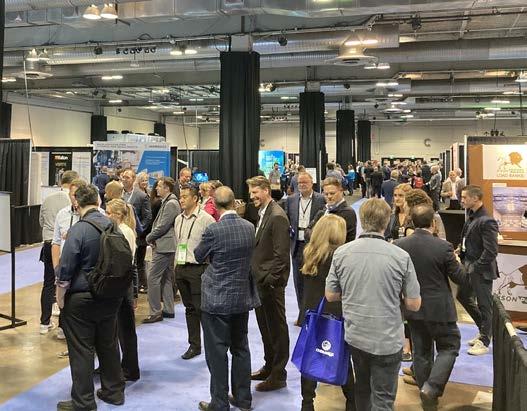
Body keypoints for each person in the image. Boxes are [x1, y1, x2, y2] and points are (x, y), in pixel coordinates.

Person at [325, 198, 421, 411]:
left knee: (362, 390)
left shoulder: (342, 253)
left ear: (361, 220)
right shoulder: (401, 256)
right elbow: (414, 304)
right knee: (383, 399)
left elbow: (331, 295)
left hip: (356, 336)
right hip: (388, 339)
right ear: (386, 222)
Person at [55, 184, 125, 411]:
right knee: (108, 345)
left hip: (82, 298)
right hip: (110, 296)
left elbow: (65, 269)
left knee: (82, 349)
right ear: (98, 201)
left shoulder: (79, 230)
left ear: (77, 203)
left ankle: (84, 401)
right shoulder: (113, 226)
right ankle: (114, 392)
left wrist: (60, 297)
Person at [195, 186, 260, 411]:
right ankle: (243, 398)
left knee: (217, 353)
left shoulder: (214, 230)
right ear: (234, 203)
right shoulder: (249, 227)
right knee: (241, 348)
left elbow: (198, 255)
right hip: (241, 298)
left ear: (214, 204)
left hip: (216, 300)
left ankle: (220, 402)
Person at [395, 205, 467, 410]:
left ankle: (426, 394)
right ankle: (431, 389)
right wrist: (458, 261)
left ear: (412, 222)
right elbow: (460, 278)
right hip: (440, 310)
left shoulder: (399, 245)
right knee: (449, 347)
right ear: (433, 223)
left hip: (413, 308)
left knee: (421, 351)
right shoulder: (443, 247)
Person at [300, 214, 356, 411]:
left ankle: (307, 403)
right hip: (336, 314)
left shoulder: (309, 253)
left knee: (310, 357)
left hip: (313, 313)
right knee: (341, 358)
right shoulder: (341, 256)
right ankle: (352, 401)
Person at [247, 176, 290, 392]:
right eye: (251, 193)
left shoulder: (277, 216)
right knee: (266, 328)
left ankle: (278, 375)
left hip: (270, 285)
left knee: (277, 330)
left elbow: (281, 256)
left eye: (255, 192)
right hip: (260, 284)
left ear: (266, 191)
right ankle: (269, 366)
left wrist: (270, 281)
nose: (252, 196)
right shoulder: (264, 213)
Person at [174, 185, 215, 360]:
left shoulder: (206, 219)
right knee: (189, 309)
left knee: (202, 309)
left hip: (199, 269)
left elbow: (214, 245)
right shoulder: (178, 219)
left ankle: (212, 346)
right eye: (180, 197)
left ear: (195, 199)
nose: (181, 200)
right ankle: (194, 345)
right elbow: (178, 242)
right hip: (181, 267)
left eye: (185, 197)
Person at [457, 185, 499, 356]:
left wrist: (476, 267)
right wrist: (460, 251)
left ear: (475, 198)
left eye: (464, 197)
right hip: (469, 267)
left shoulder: (487, 221)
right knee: (462, 296)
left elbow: (491, 251)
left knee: (484, 305)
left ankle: (485, 340)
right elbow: (468, 240)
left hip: (481, 270)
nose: (461, 200)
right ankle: (484, 330)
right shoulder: (471, 216)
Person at [39, 170, 79, 335]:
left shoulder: (47, 199)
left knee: (48, 284)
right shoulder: (73, 202)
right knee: (66, 284)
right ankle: (62, 327)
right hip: (65, 246)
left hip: (48, 244)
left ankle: (44, 322)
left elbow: (41, 221)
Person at [105, 198, 140, 382]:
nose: (105, 216)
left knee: (125, 330)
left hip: (122, 284)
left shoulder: (125, 231)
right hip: (119, 283)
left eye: (108, 213)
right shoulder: (118, 230)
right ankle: (118, 365)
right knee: (116, 328)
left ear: (117, 215)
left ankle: (130, 369)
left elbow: (126, 262)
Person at [284, 172, 326, 322]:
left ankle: (314, 314)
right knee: (298, 282)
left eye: (305, 182)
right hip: (296, 245)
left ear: (312, 183)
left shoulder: (321, 199)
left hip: (314, 246)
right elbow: (287, 219)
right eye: (299, 183)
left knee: (313, 280)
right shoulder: (291, 200)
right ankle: (302, 314)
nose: (302, 185)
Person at [51, 178, 87, 344]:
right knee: (63, 301)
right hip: (65, 267)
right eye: (72, 194)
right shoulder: (62, 214)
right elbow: (56, 242)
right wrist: (56, 268)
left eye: (77, 194)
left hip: (85, 269)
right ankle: (63, 327)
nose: (75, 198)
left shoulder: (97, 214)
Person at [143, 177, 181, 323]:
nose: (156, 188)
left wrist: (149, 237)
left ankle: (155, 312)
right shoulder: (169, 201)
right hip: (166, 245)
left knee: (152, 278)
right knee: (166, 278)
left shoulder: (171, 203)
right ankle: (168, 309)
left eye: (159, 186)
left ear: (167, 188)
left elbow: (163, 226)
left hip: (165, 246)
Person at [121, 168, 152, 304]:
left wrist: (139, 231)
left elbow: (147, 217)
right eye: (123, 177)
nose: (124, 179)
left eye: (127, 177)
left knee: (136, 264)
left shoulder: (141, 196)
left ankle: (136, 291)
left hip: (136, 236)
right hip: (119, 235)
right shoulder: (118, 194)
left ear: (133, 179)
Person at [307, 177, 357, 243]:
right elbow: (307, 231)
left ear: (341, 192)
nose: (329, 196)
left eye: (332, 193)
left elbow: (348, 240)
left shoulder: (348, 213)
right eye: (326, 194)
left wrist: (319, 236)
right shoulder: (323, 211)